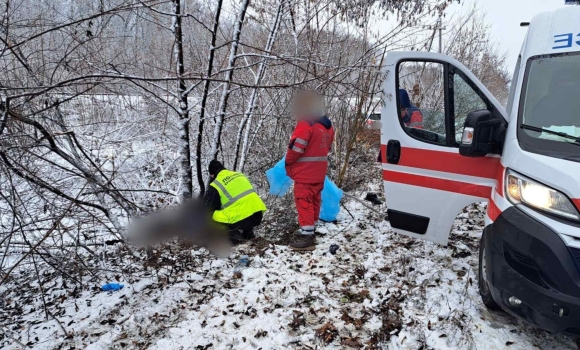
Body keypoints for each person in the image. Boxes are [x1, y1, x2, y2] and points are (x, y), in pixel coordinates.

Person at [285, 91, 335, 251]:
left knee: (304, 202)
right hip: (318, 172)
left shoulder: (306, 124)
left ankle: (307, 238)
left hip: (305, 173)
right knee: (313, 201)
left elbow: (296, 148)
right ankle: (310, 229)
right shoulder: (327, 126)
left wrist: (288, 162)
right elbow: (327, 148)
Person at [204, 160, 267, 245]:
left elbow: (209, 207)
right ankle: (249, 236)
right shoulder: (239, 175)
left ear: (212, 174)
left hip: (242, 216)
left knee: (212, 216)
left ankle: (238, 241)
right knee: (242, 210)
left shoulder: (216, 184)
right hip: (257, 213)